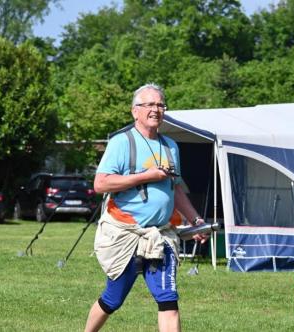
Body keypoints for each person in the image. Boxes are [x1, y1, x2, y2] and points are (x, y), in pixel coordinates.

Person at [84, 84, 207, 332]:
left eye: (160, 105)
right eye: (149, 105)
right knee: (112, 299)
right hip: (125, 233)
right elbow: (101, 183)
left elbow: (177, 189)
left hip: (161, 234)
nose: (156, 110)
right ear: (135, 111)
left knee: (168, 300)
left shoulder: (171, 146)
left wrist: (195, 220)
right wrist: (145, 176)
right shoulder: (121, 142)